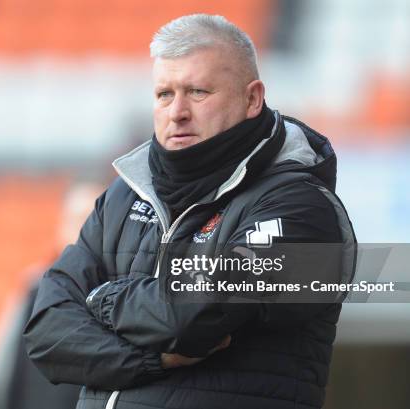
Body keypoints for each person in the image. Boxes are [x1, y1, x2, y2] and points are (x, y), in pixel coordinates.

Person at [24, 14, 356, 409]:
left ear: (252, 99)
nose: (177, 111)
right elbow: (47, 332)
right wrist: (150, 359)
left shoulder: (301, 207)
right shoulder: (123, 196)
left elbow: (193, 315)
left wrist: (101, 299)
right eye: (164, 94)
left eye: (197, 92)